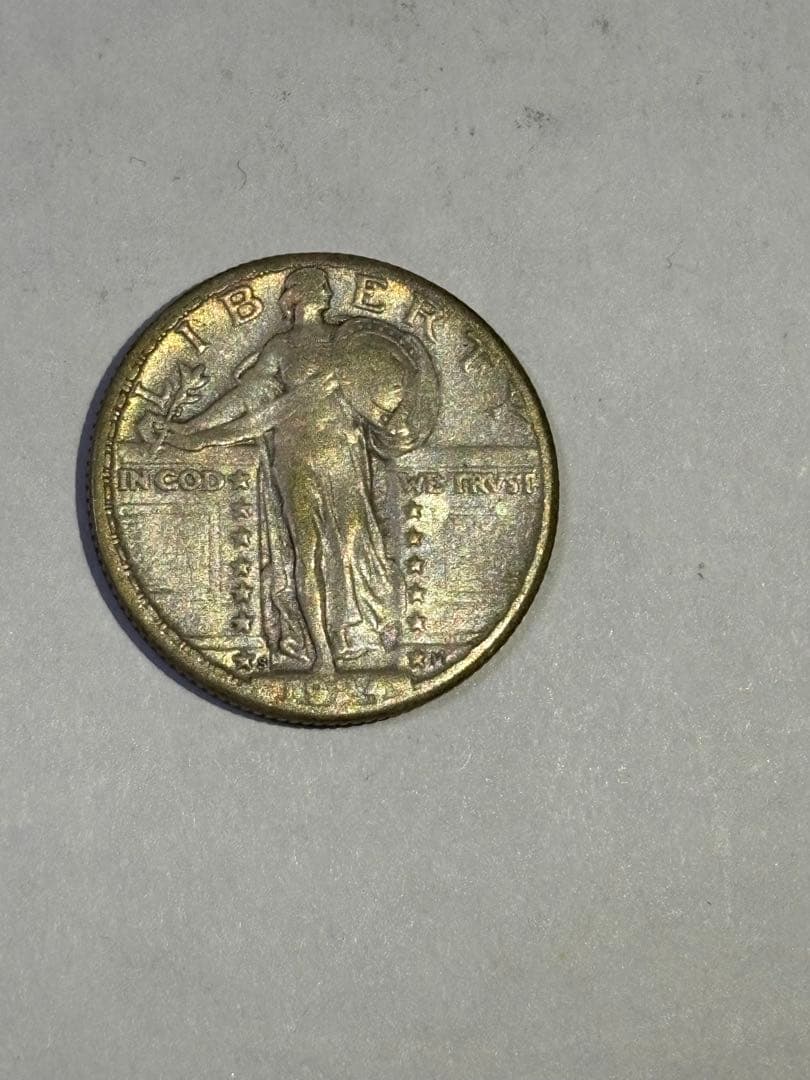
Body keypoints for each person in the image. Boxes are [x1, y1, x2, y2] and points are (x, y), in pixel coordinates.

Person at [161, 266, 438, 673]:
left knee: (350, 543)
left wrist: (200, 434)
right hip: (295, 456)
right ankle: (320, 654)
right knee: (307, 550)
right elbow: (248, 397)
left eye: (316, 288)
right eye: (306, 288)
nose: (314, 293)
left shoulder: (347, 342)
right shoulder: (281, 347)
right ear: (293, 297)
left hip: (343, 455)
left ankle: (350, 637)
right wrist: (194, 428)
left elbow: (391, 391)